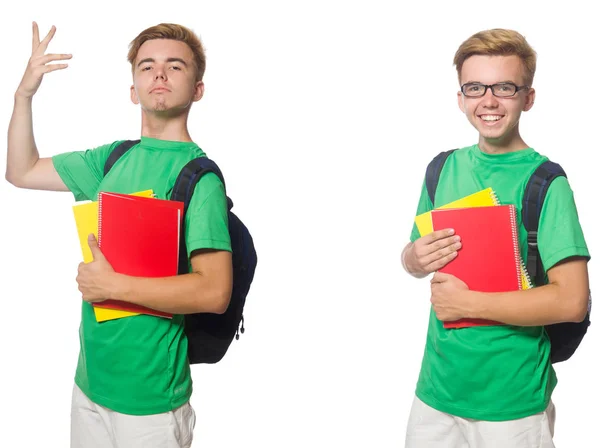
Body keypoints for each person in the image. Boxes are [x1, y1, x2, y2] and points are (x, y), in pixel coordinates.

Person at [6, 21, 233, 448]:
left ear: (198, 89)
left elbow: (214, 291)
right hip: (89, 384)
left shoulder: (200, 178)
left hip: (149, 403)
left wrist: (112, 286)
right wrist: (24, 96)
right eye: (147, 66)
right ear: (133, 89)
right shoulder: (112, 159)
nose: (159, 74)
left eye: (175, 66)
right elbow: (21, 171)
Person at [401, 28, 590, 447]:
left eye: (504, 87)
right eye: (475, 87)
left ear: (528, 97)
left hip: (513, 403)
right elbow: (412, 258)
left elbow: (572, 302)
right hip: (435, 392)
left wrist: (469, 304)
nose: (488, 101)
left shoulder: (546, 182)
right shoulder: (441, 168)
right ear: (461, 98)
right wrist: (413, 257)